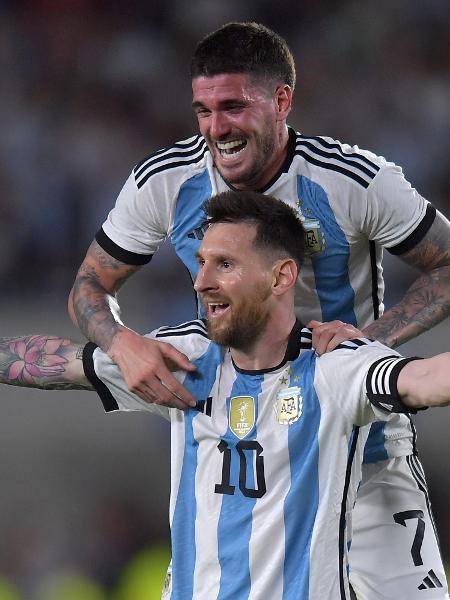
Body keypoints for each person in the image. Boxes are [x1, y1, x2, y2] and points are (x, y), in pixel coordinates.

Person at [68, 22, 450, 597]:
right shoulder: (165, 181)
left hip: (363, 443)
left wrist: (367, 342)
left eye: (232, 106)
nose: (215, 129)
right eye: (202, 110)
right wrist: (121, 340)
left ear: (281, 101)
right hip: (246, 450)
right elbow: (89, 285)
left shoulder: (355, 180)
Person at [3, 192, 450, 599]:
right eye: (201, 263)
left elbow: (426, 378)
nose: (201, 282)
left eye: (225, 264)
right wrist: (119, 345)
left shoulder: (334, 366)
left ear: (281, 277)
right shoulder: (184, 360)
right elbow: (54, 362)